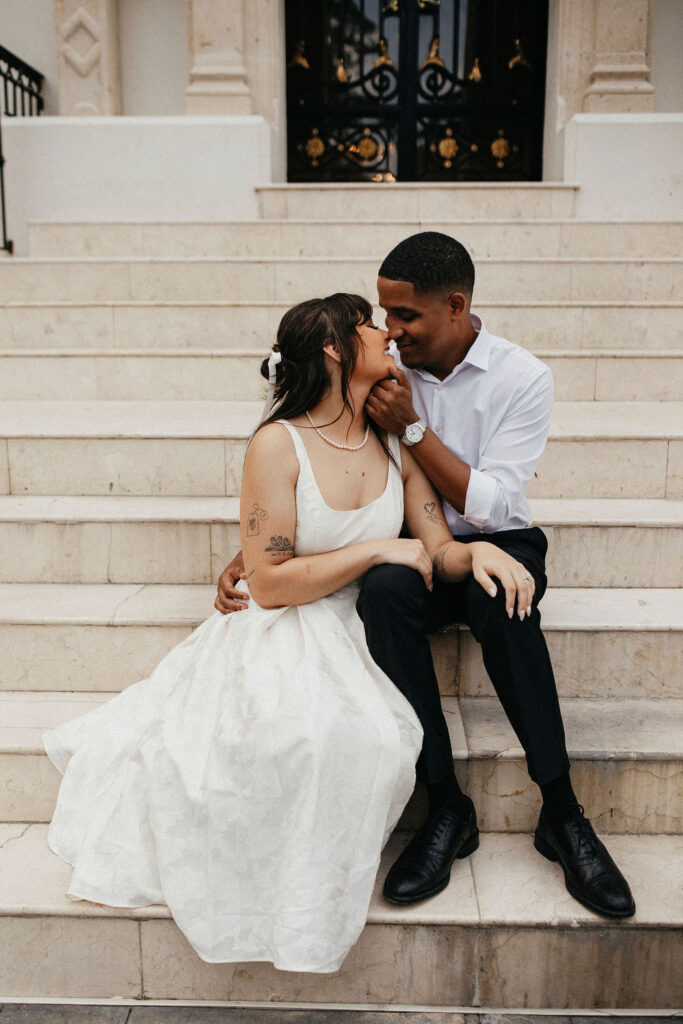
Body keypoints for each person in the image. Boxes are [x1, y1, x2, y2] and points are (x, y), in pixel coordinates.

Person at [43, 293, 534, 974]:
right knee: (295, 738)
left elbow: (435, 548)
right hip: (279, 625)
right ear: (334, 349)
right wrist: (373, 550)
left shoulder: (392, 440)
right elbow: (269, 583)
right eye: (368, 326)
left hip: (350, 624)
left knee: (374, 735)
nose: (385, 334)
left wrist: (477, 554)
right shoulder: (277, 443)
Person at [217, 235, 635, 920]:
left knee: (503, 597)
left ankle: (562, 812)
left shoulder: (521, 377)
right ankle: (445, 806)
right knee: (385, 594)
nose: (391, 329)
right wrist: (263, 549)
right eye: (382, 316)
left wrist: (414, 433)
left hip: (490, 538)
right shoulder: (373, 381)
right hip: (413, 547)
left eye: (405, 316)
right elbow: (316, 461)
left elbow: (492, 505)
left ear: (456, 307)